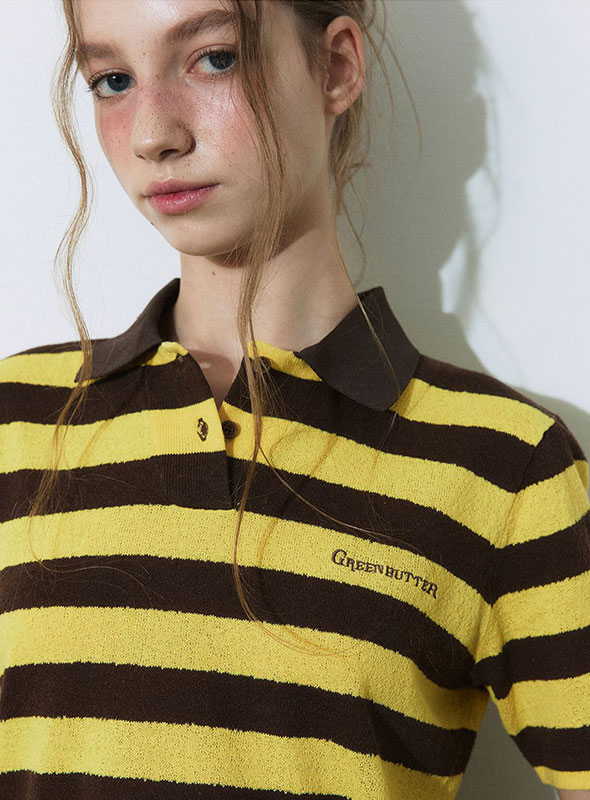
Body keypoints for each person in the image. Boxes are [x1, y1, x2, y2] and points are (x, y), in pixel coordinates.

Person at [0, 1, 588, 798]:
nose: (153, 135)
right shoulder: (15, 420)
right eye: (112, 80)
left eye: (214, 58)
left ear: (336, 67)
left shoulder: (505, 466)